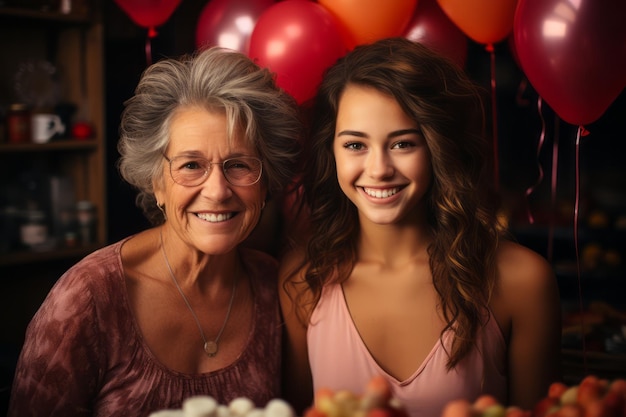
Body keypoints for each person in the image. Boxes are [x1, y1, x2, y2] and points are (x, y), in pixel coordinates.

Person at [9, 46, 302, 416]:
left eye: (238, 164)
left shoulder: (276, 286)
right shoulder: (88, 298)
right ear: (156, 183)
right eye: (191, 165)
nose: (217, 190)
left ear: (264, 184)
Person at [279, 37, 562, 417]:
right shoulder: (302, 280)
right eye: (355, 145)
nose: (378, 169)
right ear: (330, 152)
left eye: (402, 144)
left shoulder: (521, 282)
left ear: (438, 149)